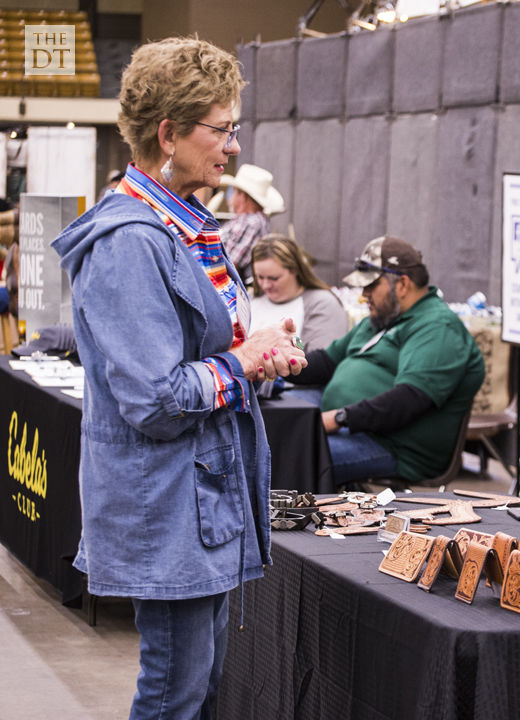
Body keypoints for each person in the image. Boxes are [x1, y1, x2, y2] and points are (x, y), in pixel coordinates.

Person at [50, 37, 307, 720]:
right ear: (168, 134)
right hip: (167, 511)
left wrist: (258, 357)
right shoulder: (131, 243)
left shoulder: (185, 231)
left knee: (200, 690)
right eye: (220, 130)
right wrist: (241, 362)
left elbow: (205, 359)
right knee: (174, 697)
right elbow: (154, 400)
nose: (231, 147)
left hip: (205, 504)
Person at [290, 235, 485, 486]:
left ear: (402, 285)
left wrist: (338, 418)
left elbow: (407, 400)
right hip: (355, 428)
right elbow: (326, 363)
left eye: (371, 286)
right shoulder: (382, 318)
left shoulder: (437, 327)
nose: (363, 295)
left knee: (294, 454)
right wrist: (281, 360)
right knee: (272, 426)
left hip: (392, 448)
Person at [249, 234, 348, 351]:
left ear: (294, 269)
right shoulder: (252, 298)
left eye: (274, 278)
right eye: (259, 277)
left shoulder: (321, 304)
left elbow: (320, 359)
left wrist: (294, 342)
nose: (265, 285)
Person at [219, 163, 284, 283]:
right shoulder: (253, 220)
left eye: (233, 191)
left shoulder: (251, 222)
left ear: (242, 196)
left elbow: (228, 264)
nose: (231, 197)